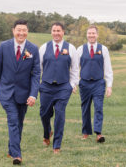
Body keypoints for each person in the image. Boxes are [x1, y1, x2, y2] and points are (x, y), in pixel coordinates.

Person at [0, 19, 40, 165]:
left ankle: (11, 149)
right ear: (13, 31)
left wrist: (33, 94)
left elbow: (36, 74)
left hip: (24, 94)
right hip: (6, 92)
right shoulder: (4, 46)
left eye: (24, 30)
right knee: (13, 120)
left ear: (27, 32)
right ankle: (17, 155)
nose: (21, 33)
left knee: (18, 123)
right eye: (18, 30)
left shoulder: (33, 49)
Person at [39, 22, 79, 154]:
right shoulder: (44, 48)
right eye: (54, 30)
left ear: (63, 32)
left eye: (59, 31)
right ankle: (47, 133)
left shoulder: (71, 48)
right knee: (44, 114)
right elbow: (38, 69)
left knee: (60, 114)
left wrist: (72, 85)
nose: (56, 33)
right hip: (46, 86)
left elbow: (75, 70)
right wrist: (38, 84)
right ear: (51, 32)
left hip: (63, 88)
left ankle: (57, 145)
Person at [76, 25, 113, 143]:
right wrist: (76, 83)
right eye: (89, 33)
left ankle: (98, 133)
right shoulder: (80, 49)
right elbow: (75, 68)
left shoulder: (104, 49)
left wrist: (109, 85)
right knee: (85, 108)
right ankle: (86, 131)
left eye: (93, 33)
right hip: (84, 83)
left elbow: (108, 68)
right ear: (86, 35)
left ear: (97, 35)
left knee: (98, 107)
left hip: (98, 83)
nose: (91, 35)